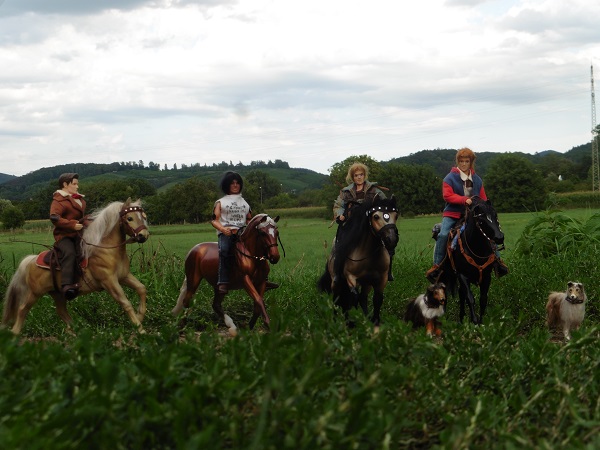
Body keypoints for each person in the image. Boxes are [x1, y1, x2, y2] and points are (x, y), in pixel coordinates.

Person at [426, 148, 509, 282]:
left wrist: (484, 206)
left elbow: (483, 198)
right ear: (457, 162)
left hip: (473, 214)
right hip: (453, 213)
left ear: (471, 162)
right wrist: (464, 200)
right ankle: (437, 266)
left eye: (466, 161)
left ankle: (498, 262)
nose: (464, 164)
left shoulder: (477, 179)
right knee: (443, 234)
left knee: (488, 231)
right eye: (461, 161)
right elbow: (447, 196)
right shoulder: (449, 178)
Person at [332, 162, 394, 283]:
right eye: (356, 175)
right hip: (351, 224)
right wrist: (340, 215)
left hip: (370, 225)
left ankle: (387, 271)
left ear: (364, 175)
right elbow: (338, 205)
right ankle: (338, 273)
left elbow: (384, 204)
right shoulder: (346, 192)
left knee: (388, 241)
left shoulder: (375, 190)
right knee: (340, 244)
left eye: (361, 174)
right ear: (352, 177)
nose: (359, 177)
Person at [211, 171, 253, 295]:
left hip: (242, 233)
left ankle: (262, 277)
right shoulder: (220, 202)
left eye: (237, 183)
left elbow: (249, 220)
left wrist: (249, 230)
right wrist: (223, 229)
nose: (235, 185)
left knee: (258, 248)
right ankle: (223, 281)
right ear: (227, 185)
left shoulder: (245, 203)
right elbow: (214, 220)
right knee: (224, 251)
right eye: (232, 183)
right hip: (227, 233)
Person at [50, 173, 86, 300]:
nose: (77, 186)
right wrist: (71, 225)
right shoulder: (58, 200)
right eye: (74, 184)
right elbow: (54, 217)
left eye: (77, 184)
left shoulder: (78, 199)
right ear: (65, 184)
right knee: (70, 253)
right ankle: (66, 285)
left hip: (78, 235)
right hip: (64, 236)